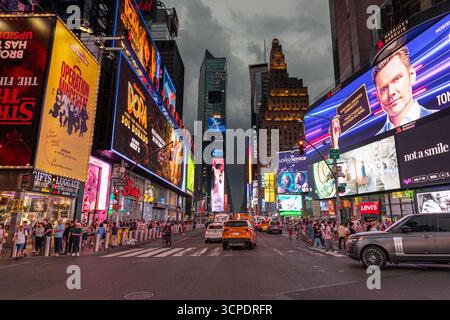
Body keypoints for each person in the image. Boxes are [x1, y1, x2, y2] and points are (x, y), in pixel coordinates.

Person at [372, 45, 438, 134]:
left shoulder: (441, 120)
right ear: (378, 97)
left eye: (396, 79)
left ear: (411, 75)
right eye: (383, 89)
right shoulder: (376, 140)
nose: (391, 92)